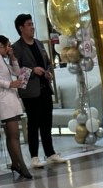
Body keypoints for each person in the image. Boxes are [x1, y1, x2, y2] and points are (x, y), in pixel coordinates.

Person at [12, 14, 67, 169]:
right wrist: (32, 70)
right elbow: (17, 71)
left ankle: (50, 153)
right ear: (21, 28)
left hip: (44, 89)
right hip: (30, 92)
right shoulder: (17, 48)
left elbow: (47, 62)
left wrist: (48, 72)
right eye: (29, 24)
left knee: (47, 122)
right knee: (33, 123)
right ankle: (34, 156)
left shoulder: (38, 43)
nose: (32, 27)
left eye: (32, 24)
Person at [0, 35, 33, 180]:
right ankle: (22, 165)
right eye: (8, 45)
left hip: (11, 98)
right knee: (14, 135)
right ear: (1, 45)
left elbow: (18, 72)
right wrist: (9, 84)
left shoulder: (2, 59)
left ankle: (15, 163)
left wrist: (12, 57)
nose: (10, 48)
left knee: (11, 135)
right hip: (5, 101)